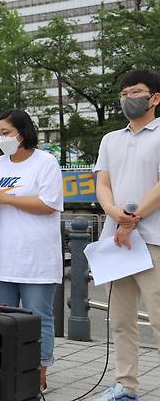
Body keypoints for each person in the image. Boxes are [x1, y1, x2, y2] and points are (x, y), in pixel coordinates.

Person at [0, 109, 63, 391]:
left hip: (36, 257)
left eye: (6, 132)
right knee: (2, 318)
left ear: (22, 132)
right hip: (3, 256)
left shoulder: (45, 162)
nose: (1, 137)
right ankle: (7, 369)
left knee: (37, 317)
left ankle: (39, 369)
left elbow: (48, 204)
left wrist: (5, 197)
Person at [93, 69, 160, 401]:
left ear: (154, 98)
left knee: (159, 316)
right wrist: (113, 212)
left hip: (153, 239)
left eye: (135, 91)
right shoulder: (110, 140)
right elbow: (102, 182)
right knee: (121, 319)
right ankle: (126, 386)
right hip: (117, 241)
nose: (128, 98)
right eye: (124, 93)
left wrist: (132, 218)